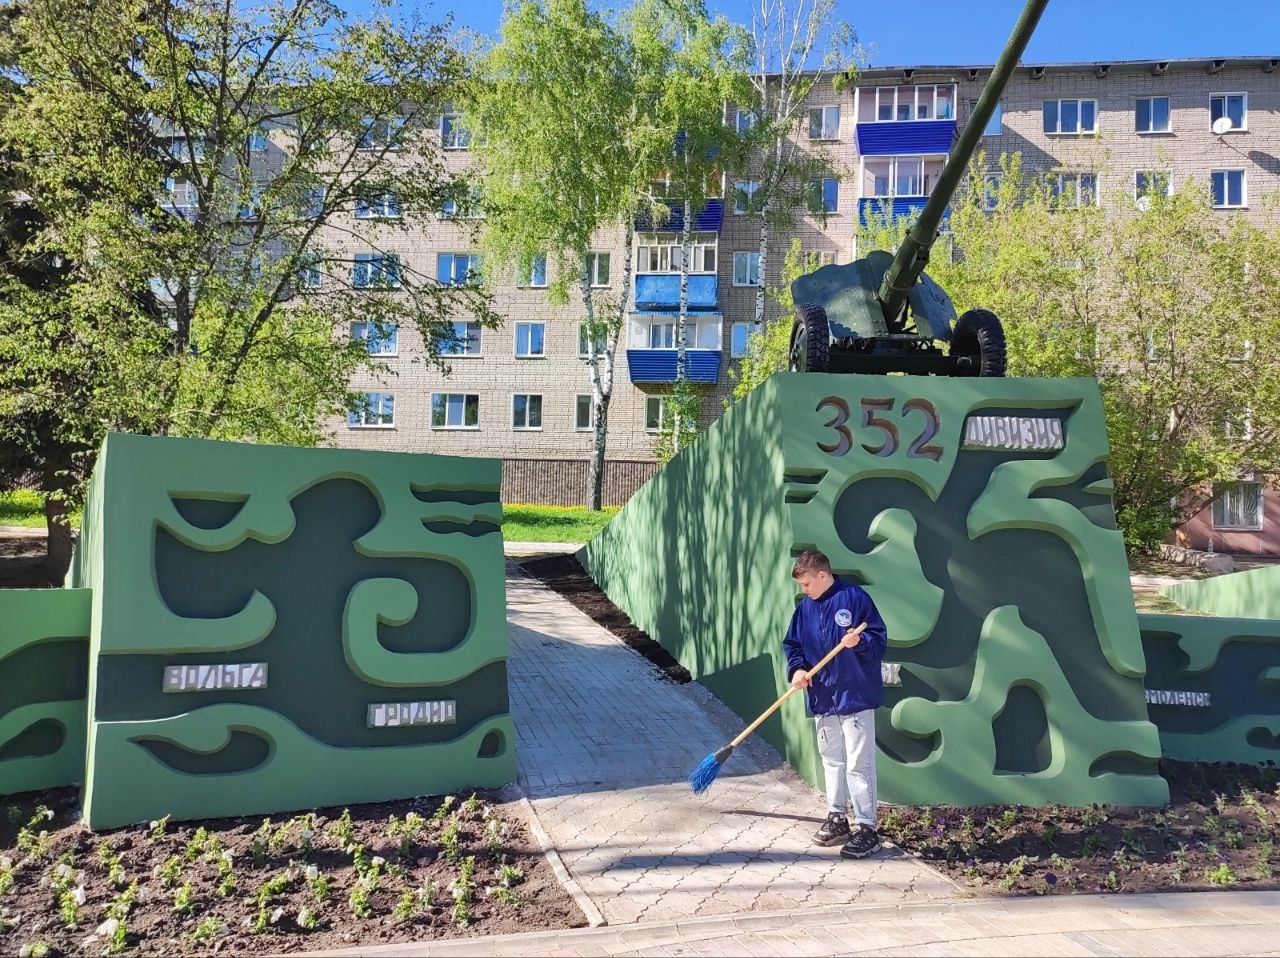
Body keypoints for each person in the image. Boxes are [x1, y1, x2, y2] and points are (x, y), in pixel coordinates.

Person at [782, 549, 888, 859]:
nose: (804, 590)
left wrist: (860, 642)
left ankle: (867, 828)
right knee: (832, 760)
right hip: (823, 696)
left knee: (859, 764)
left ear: (822, 575)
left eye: (806, 584)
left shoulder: (855, 599)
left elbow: (879, 640)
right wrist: (797, 670)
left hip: (855, 695)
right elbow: (793, 645)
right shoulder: (804, 610)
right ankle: (837, 817)